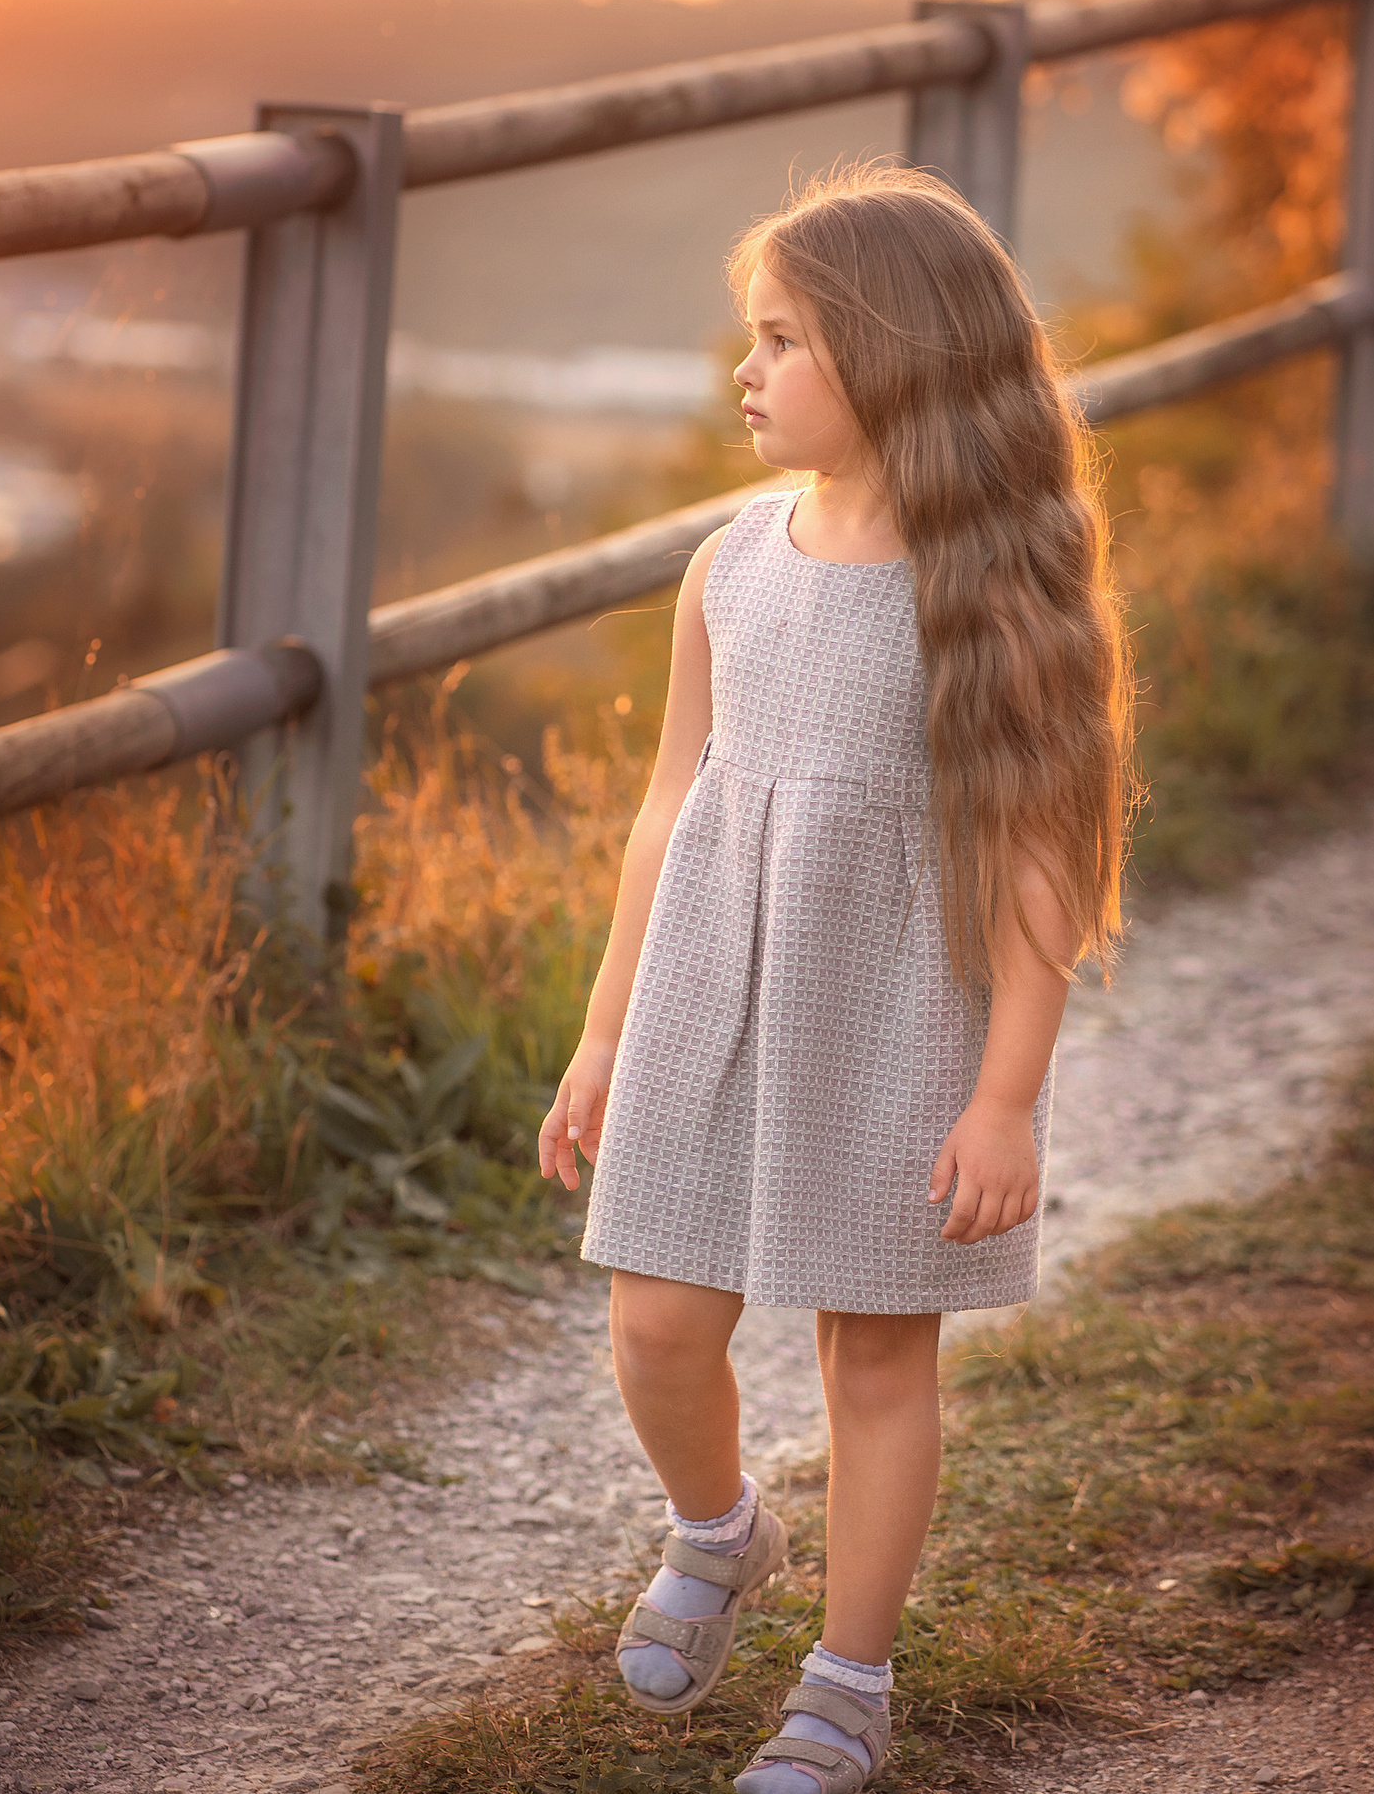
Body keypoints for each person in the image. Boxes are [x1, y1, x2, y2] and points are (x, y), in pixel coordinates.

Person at [539, 165, 1133, 1794]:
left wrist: (1006, 1098)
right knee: (657, 1321)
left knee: (874, 1358)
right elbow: (674, 802)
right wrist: (603, 1031)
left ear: (887, 359)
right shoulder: (728, 563)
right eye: (754, 338)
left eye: (782, 340)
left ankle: (846, 1686)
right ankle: (719, 1529)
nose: (746, 372)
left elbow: (1036, 863)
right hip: (709, 996)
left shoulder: (989, 592)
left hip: (890, 1019)